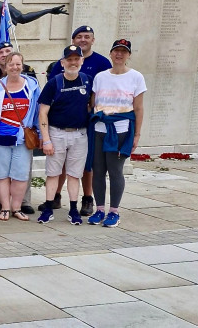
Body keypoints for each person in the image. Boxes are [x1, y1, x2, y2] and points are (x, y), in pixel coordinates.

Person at [43, 25, 112, 216]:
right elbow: (54, 88)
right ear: (73, 40)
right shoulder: (61, 65)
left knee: (84, 165)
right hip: (60, 126)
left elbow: (100, 94)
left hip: (86, 125)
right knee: (61, 165)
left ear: (93, 40)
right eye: (79, 36)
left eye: (87, 36)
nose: (83, 39)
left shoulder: (101, 63)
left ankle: (87, 199)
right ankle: (55, 196)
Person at [87, 39, 145, 228]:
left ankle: (114, 211)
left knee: (115, 170)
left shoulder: (136, 77)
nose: (119, 55)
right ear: (111, 53)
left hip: (120, 129)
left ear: (128, 55)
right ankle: (100, 209)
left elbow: (138, 108)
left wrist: (137, 134)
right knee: (98, 171)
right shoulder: (101, 77)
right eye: (116, 51)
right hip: (99, 128)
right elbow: (93, 103)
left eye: (123, 51)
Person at [37, 45, 92, 226]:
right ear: (63, 62)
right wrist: (46, 139)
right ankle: (48, 209)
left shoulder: (87, 81)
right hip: (57, 133)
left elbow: (92, 106)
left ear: (82, 61)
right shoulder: (54, 83)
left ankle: (74, 209)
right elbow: (43, 112)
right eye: (69, 59)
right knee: (53, 173)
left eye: (77, 59)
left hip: (79, 135)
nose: (73, 62)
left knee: (74, 174)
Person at [0, 52, 41, 222]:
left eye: (18, 64)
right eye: (11, 64)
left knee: (21, 175)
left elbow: (38, 113)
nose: (14, 67)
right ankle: (5, 208)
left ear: (22, 65)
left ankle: (16, 208)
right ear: (5, 66)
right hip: (0, 140)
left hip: (22, 140)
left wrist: (40, 134)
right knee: (1, 175)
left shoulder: (32, 86)